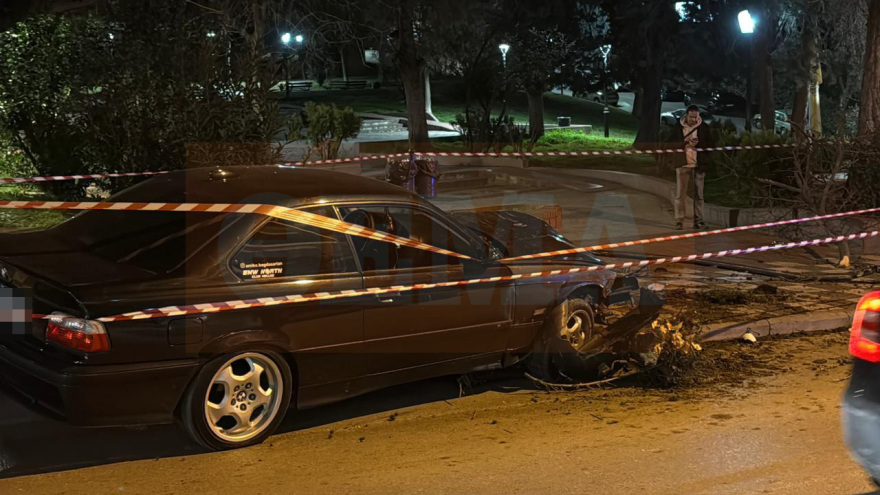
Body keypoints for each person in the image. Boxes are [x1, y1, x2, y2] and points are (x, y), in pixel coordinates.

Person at [666, 105, 715, 230]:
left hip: (699, 165)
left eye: (696, 116)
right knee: (680, 194)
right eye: (691, 116)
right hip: (683, 164)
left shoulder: (703, 128)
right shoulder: (678, 127)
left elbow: (711, 145)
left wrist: (699, 144)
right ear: (686, 115)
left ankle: (698, 220)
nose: (693, 119)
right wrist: (685, 143)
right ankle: (679, 220)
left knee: (699, 195)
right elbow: (671, 143)